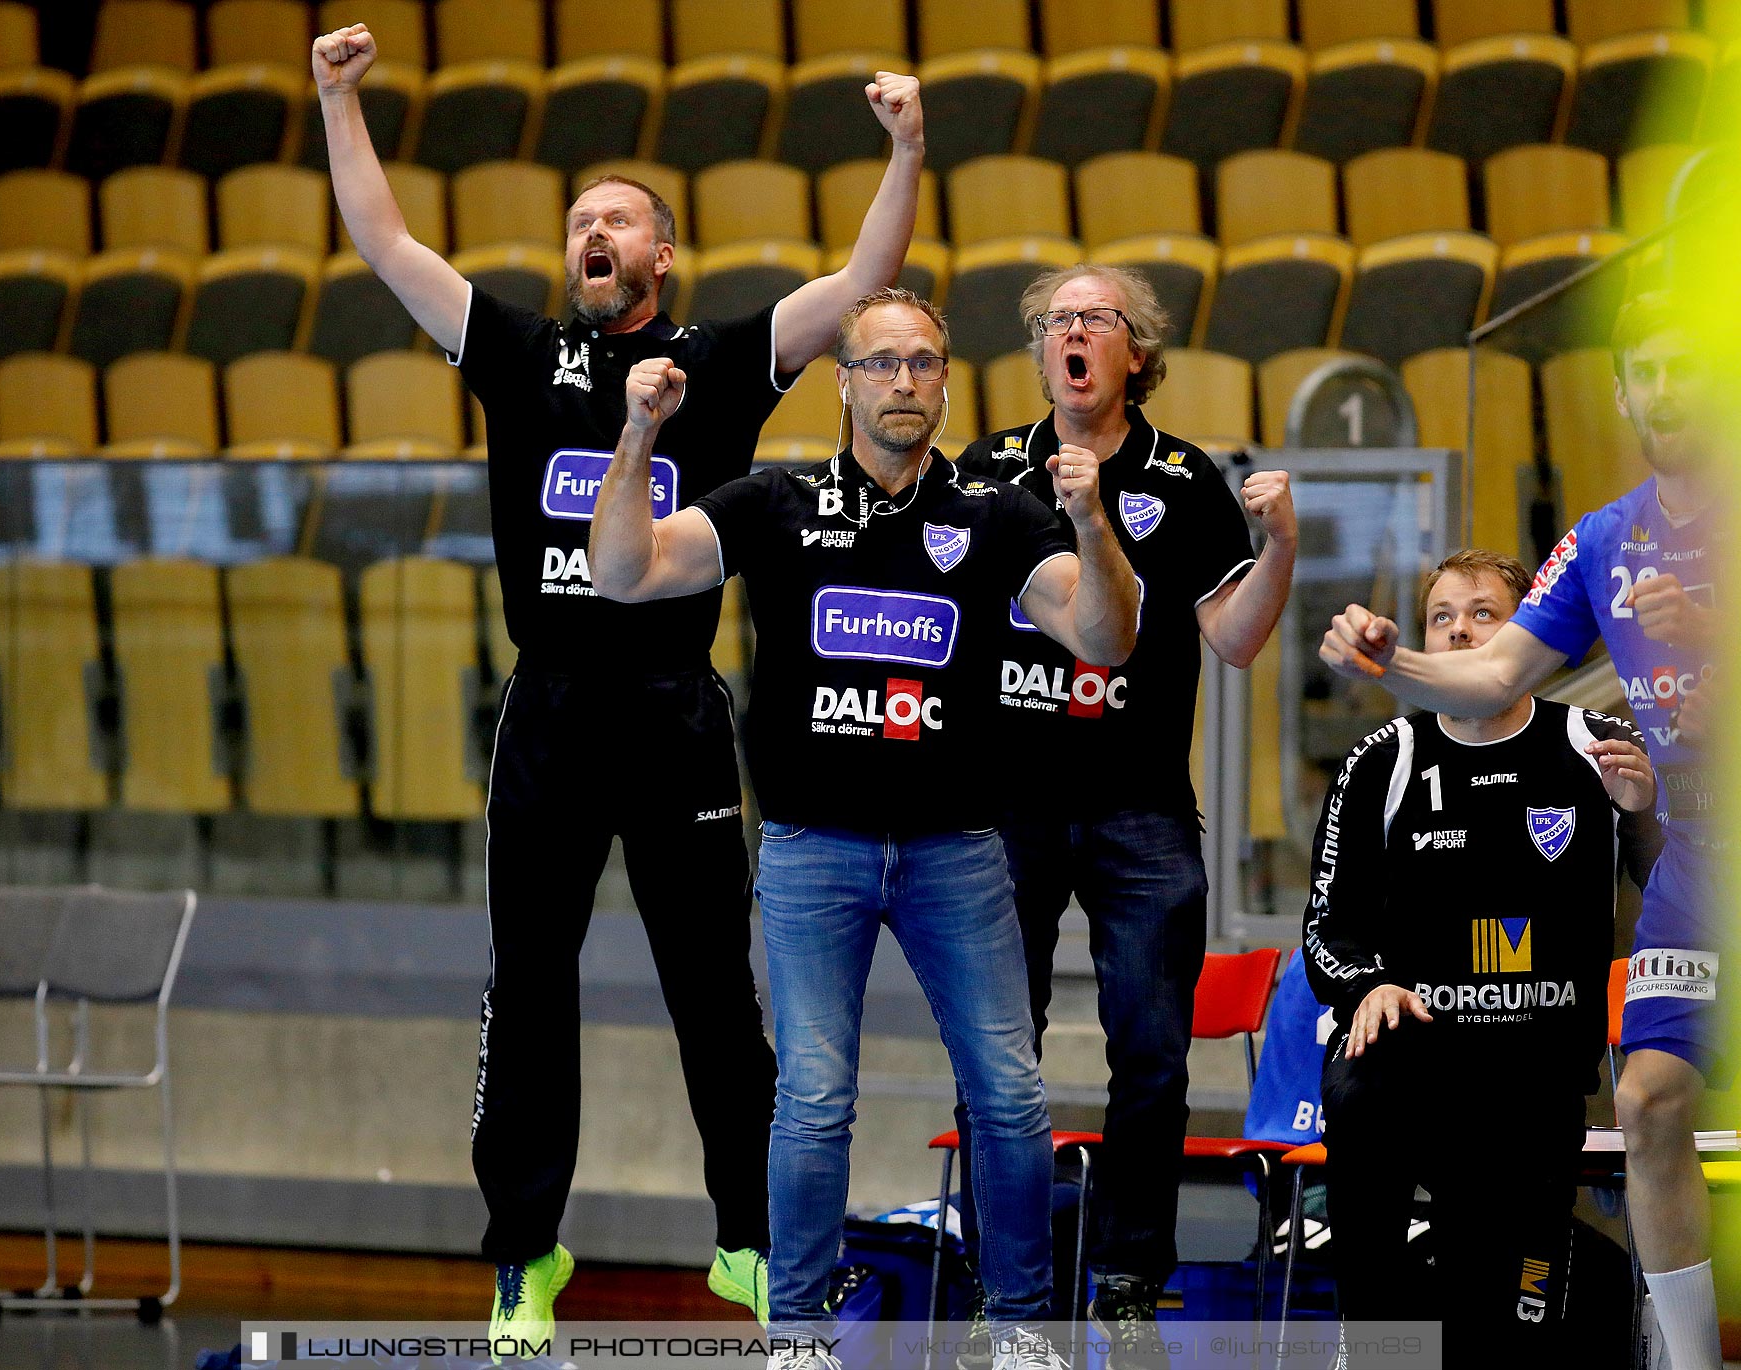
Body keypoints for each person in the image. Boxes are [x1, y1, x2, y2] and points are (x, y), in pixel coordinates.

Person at [312, 21, 929, 1347]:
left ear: (660, 256)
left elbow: (867, 278)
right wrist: (336, 103)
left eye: (620, 220)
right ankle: (524, 1252)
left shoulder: (718, 362)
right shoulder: (521, 354)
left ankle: (750, 1242)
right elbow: (387, 244)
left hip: (672, 710)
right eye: (579, 218)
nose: (593, 230)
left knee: (715, 986)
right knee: (527, 981)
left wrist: (906, 147)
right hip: (548, 711)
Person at [588, 288, 1140, 1370]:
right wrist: (637, 433)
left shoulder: (996, 513)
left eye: (924, 363)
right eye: (882, 362)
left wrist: (1091, 521)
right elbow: (621, 571)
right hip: (812, 850)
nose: (903, 381)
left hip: (957, 850)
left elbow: (1107, 639)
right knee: (814, 1095)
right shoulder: (775, 500)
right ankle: (797, 1333)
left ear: (945, 383)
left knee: (1010, 1088)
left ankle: (1020, 1322)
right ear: (842, 382)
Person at [1321, 293, 1727, 1369]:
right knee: (1644, 1099)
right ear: (1626, 391)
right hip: (1702, 863)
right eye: (1652, 367)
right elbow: (1496, 667)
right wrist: (1389, 659)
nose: (1673, 386)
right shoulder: (1604, 540)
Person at [954, 263, 1296, 1364]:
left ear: (1136, 353)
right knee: (999, 1049)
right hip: (1006, 805)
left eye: (1094, 319)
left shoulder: (1186, 478)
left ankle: (1128, 1281)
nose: (1073, 334)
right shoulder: (989, 468)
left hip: (1141, 807)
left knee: (1151, 1054)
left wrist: (1281, 546)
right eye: (1057, 320)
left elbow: (1235, 639)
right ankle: (1003, 1286)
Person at [1306, 548, 1662, 1354]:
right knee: (1362, 1082)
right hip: (1415, 1065)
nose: (1462, 631)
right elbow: (1328, 925)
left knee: (1510, 1320)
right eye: (1443, 617)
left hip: (1534, 1078)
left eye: (1484, 615)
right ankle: (1372, 1339)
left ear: (1525, 635)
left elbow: (1690, 900)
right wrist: (1368, 987)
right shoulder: (1382, 761)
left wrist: (1643, 813)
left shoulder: (1594, 744)